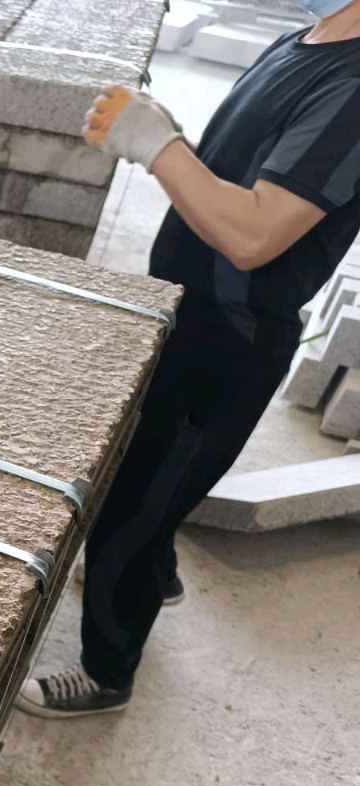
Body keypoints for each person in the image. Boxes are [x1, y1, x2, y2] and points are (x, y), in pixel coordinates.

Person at [18, 0, 360, 718]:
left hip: (227, 337)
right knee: (155, 485)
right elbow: (239, 174)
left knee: (134, 505)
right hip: (190, 308)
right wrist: (170, 137)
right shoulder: (305, 39)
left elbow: (256, 234)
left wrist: (158, 148)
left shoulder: (354, 86)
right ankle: (157, 569)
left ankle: (106, 672)